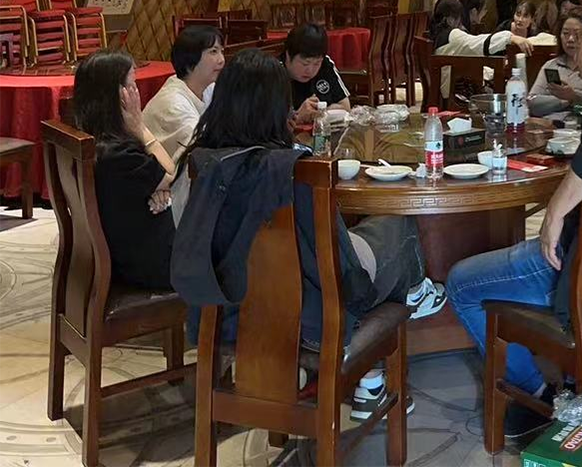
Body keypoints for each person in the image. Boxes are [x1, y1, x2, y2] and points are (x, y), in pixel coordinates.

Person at [174, 48, 445, 416]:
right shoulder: (293, 169)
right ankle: (409, 303)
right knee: (396, 225)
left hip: (226, 315)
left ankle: (373, 375)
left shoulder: (199, 163)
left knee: (364, 249)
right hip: (309, 321)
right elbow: (340, 266)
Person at [445, 6, 582, 437]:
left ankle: (533, 395)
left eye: (581, 48)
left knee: (460, 283)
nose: (575, 55)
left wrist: (553, 215)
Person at [66, 50, 178, 290]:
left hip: (125, 250)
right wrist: (140, 127)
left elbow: (161, 180)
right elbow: (170, 172)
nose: (137, 94)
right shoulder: (119, 156)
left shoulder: (97, 141)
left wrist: (161, 192)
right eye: (132, 86)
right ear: (114, 98)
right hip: (149, 264)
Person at [143, 23, 225, 161]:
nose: (222, 60)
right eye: (213, 52)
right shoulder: (173, 104)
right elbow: (200, 146)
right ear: (190, 58)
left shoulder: (209, 87)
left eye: (222, 51)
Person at [283, 23, 350, 124]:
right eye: (305, 63)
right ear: (288, 56)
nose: (310, 70)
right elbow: (266, 125)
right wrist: (298, 117)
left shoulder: (325, 64)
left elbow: (345, 106)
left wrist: (322, 112)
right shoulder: (273, 72)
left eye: (316, 63)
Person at [527, 13, 582, 118]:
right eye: (566, 33)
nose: (570, 39)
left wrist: (574, 95)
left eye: (577, 34)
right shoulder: (551, 65)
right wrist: (565, 100)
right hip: (550, 124)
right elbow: (532, 102)